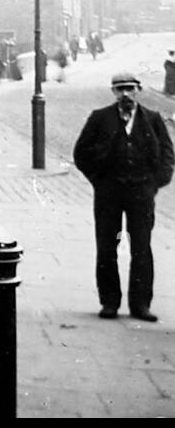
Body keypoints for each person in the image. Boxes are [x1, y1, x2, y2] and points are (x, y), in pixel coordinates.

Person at [72, 70, 173, 322]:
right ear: (113, 92)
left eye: (130, 88)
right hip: (109, 193)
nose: (125, 93)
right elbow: (80, 153)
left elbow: (168, 155)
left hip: (141, 193)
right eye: (120, 89)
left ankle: (140, 306)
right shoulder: (99, 118)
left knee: (142, 248)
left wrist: (154, 183)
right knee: (107, 247)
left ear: (139, 89)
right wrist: (99, 181)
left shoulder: (153, 119)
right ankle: (109, 302)